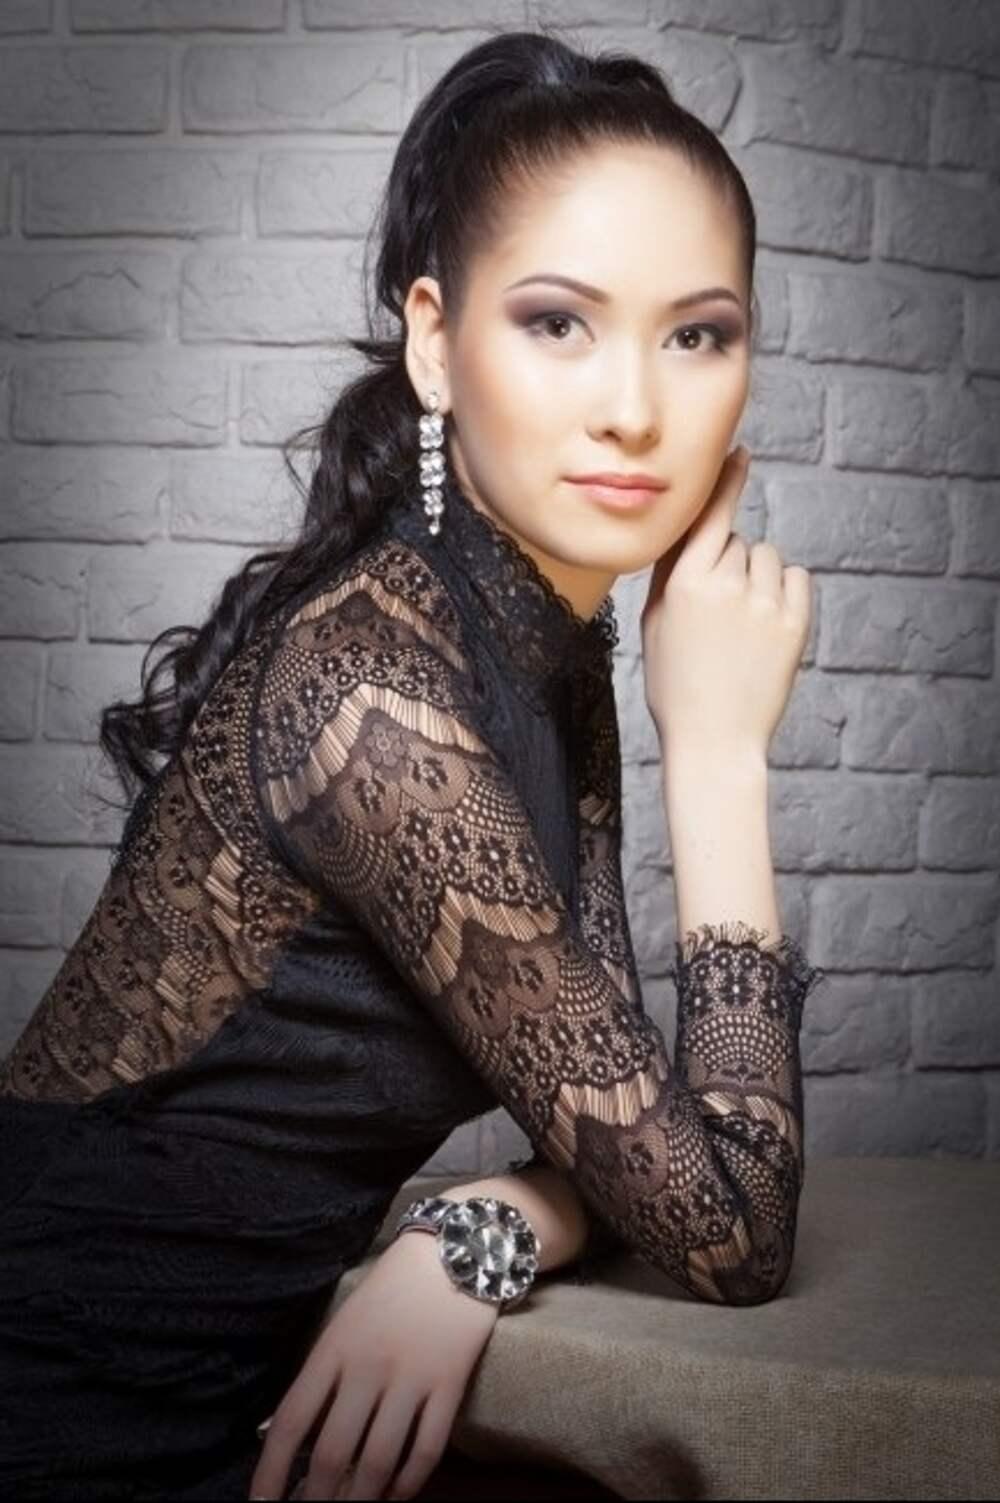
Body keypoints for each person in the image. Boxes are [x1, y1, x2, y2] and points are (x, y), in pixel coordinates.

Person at [0, 27, 827, 1503]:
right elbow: (732, 1226)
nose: (637, 407)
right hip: (63, 1423)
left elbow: (622, 1126)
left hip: (248, 1404)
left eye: (698, 335)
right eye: (559, 322)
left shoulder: (540, 644)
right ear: (436, 343)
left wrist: (485, 1228)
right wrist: (715, 753)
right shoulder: (375, 694)